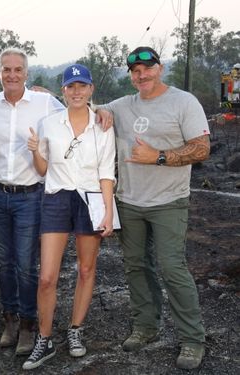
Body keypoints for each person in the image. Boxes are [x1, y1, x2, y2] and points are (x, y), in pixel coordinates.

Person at [103, 46, 210, 370]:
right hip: (130, 201)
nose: (141, 75)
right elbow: (85, 107)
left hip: (168, 201)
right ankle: (146, 328)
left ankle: (192, 339)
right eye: (135, 71)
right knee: (136, 266)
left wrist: (160, 156)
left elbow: (202, 148)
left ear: (160, 68)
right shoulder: (121, 106)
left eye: (147, 68)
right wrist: (99, 110)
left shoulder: (183, 102)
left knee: (171, 268)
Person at [22, 64, 116, 370]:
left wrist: (108, 213)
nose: (76, 92)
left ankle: (76, 330)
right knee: (47, 276)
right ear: (63, 91)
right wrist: (36, 150)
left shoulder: (102, 125)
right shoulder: (49, 123)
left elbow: (106, 172)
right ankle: (44, 338)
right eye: (70, 87)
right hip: (56, 198)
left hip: (90, 198)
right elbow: (42, 170)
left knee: (86, 269)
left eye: (82, 86)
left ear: (91, 90)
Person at [0, 48, 64, 355]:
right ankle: (9, 318)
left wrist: (100, 111)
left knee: (26, 264)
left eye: (17, 69)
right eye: (6, 69)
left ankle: (28, 324)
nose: (11, 74)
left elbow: (75, 114)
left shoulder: (44, 103)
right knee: (3, 262)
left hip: (30, 196)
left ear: (27, 73)